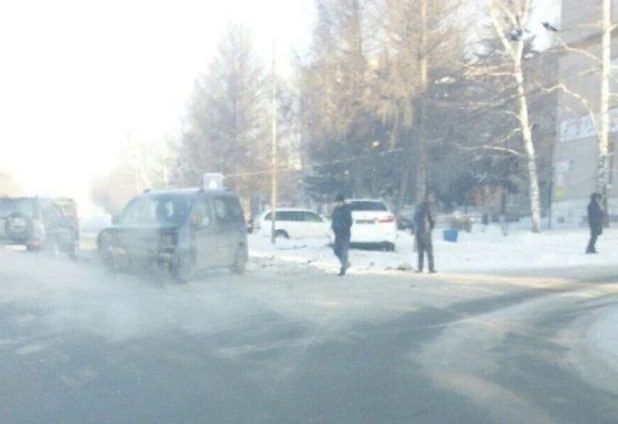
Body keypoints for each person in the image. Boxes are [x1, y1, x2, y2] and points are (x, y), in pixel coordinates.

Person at [414, 192, 436, 273]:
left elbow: (415, 218)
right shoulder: (428, 207)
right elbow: (430, 219)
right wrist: (432, 225)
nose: (433, 199)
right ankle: (431, 268)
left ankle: (420, 268)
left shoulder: (419, 206)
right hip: (425, 231)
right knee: (429, 250)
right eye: (432, 197)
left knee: (420, 251)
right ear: (427, 198)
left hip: (418, 231)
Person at [331, 194, 353, 276]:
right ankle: (346, 263)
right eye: (337, 202)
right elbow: (334, 219)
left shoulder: (346, 210)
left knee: (344, 251)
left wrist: (343, 227)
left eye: (339, 202)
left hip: (344, 233)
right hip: (337, 233)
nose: (338, 204)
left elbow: (349, 222)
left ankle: (343, 268)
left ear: (343, 202)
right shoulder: (336, 209)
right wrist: (333, 227)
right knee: (336, 250)